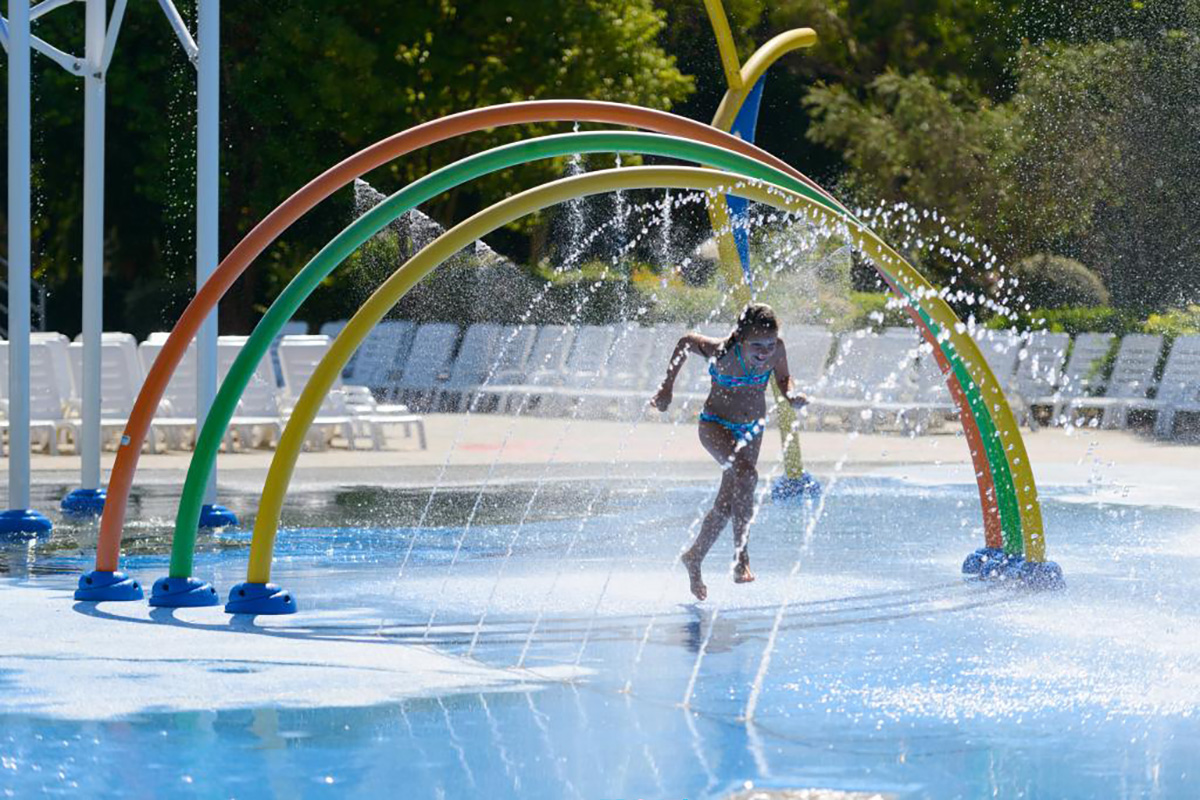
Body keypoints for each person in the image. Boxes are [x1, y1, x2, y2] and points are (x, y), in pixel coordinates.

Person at [650, 303, 808, 600]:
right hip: (715, 425)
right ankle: (741, 557)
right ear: (740, 338)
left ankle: (695, 556)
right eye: (757, 345)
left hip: (752, 428)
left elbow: (784, 378)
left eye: (769, 344)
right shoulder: (722, 351)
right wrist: (666, 389)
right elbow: (685, 342)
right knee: (747, 476)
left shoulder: (777, 350)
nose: (764, 351)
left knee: (726, 503)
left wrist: (792, 394)